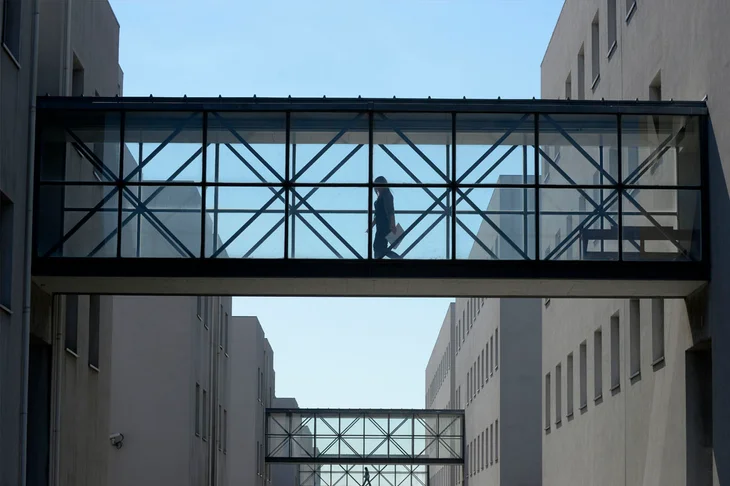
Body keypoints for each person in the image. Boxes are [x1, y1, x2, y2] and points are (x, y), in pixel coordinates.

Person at [369, 176, 402, 259]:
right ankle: (398, 259)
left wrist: (392, 225)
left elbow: (390, 211)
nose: (376, 187)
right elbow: (379, 214)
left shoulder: (386, 196)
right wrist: (371, 225)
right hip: (381, 225)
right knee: (380, 248)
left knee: (378, 247)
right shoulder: (383, 196)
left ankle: (398, 259)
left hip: (384, 225)